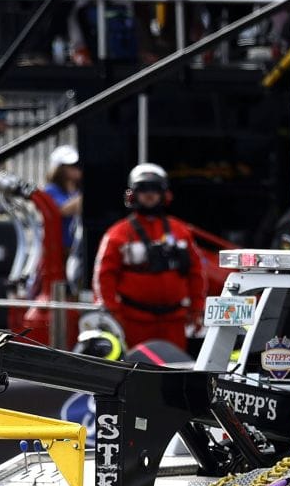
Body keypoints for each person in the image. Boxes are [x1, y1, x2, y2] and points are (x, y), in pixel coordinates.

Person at [92, 163, 206, 344]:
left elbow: (196, 272)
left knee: (175, 367)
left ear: (164, 194)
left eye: (155, 188)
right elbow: (104, 276)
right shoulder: (118, 234)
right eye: (143, 188)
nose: (149, 194)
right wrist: (113, 314)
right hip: (133, 323)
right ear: (132, 194)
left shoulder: (181, 231)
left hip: (174, 322)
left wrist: (197, 309)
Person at [42, 145, 83, 253]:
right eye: (71, 166)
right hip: (60, 247)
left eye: (78, 165)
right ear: (59, 168)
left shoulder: (77, 189)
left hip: (77, 245)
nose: (76, 169)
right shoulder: (51, 190)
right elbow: (62, 210)